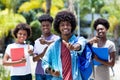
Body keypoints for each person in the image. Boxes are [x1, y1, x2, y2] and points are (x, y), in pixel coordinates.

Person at [41, 10, 86, 80]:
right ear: (58, 27)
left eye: (68, 24)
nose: (65, 27)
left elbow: (80, 45)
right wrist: (51, 71)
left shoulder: (80, 40)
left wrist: (74, 47)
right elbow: (45, 63)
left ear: (72, 26)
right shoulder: (53, 46)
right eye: (62, 25)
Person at [33, 14, 59, 80]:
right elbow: (34, 59)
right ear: (40, 27)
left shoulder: (56, 38)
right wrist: (43, 53)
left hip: (52, 72)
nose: (45, 27)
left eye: (47, 25)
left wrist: (46, 42)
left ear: (51, 26)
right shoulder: (37, 41)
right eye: (43, 26)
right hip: (39, 73)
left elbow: (55, 44)